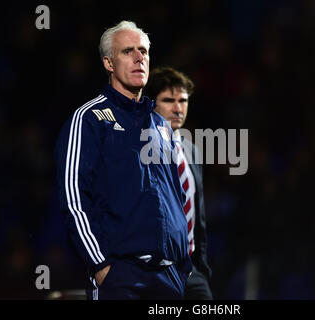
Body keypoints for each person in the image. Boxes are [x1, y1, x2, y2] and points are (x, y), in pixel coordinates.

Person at [54, 21, 192, 300]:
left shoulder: (161, 126)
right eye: (128, 51)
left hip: (169, 278)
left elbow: (175, 196)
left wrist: (182, 267)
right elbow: (73, 197)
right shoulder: (89, 119)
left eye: (143, 51)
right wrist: (100, 265)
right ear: (108, 63)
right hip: (121, 276)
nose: (139, 58)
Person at [145, 67, 213, 299]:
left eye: (183, 100)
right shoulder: (138, 151)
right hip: (154, 271)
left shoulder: (191, 152)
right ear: (152, 103)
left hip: (192, 270)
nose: (178, 107)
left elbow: (199, 217)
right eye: (168, 100)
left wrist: (201, 267)